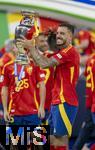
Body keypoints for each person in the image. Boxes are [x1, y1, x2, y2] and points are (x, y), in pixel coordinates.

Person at [18, 22, 80, 150]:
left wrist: (31, 48)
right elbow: (40, 61)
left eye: (62, 33)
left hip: (65, 100)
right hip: (57, 101)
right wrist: (30, 48)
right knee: (51, 137)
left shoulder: (69, 52)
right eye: (57, 33)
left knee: (59, 139)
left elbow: (44, 64)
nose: (58, 35)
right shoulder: (62, 52)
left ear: (70, 36)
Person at [73, 53, 95, 150]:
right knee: (59, 136)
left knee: (86, 128)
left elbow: (84, 75)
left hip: (90, 100)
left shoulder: (91, 58)